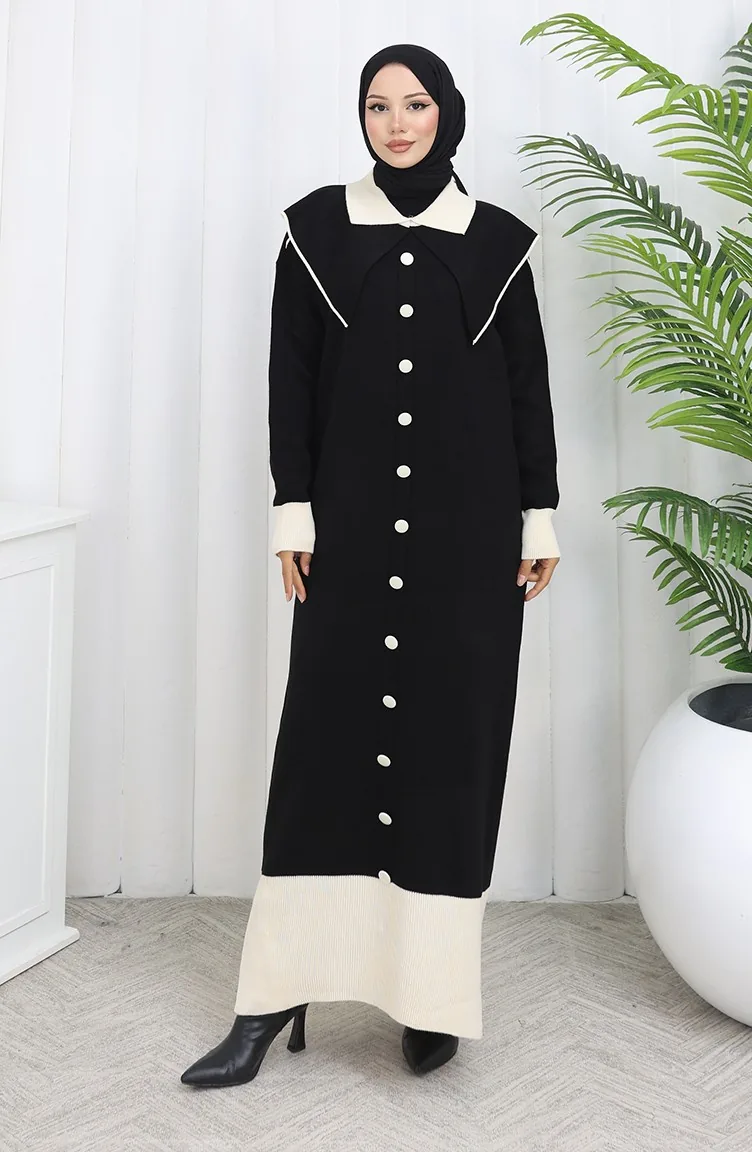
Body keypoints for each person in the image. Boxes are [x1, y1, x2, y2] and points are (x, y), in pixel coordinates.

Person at [181, 41, 560, 1088]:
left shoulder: (497, 247)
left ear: (447, 114)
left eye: (415, 104)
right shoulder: (315, 235)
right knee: (323, 746)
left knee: (449, 753)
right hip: (345, 534)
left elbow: (526, 390)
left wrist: (537, 518)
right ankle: (271, 997)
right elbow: (290, 381)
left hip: (469, 540)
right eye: (378, 106)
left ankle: (426, 997)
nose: (396, 124)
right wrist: (292, 508)